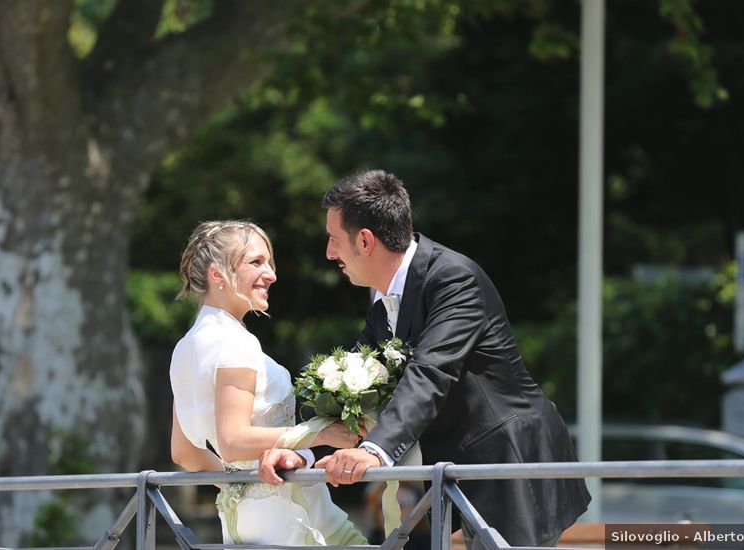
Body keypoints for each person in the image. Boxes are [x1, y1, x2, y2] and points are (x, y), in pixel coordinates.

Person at [260, 171, 591, 547]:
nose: (329, 253)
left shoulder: (454, 279)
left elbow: (430, 373)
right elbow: (353, 393)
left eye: (334, 240)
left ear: (365, 241)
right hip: (462, 472)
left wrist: (373, 452)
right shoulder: (383, 302)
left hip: (510, 462)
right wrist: (300, 451)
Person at [169, 220, 367, 546]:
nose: (272, 274)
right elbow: (233, 440)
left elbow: (184, 452)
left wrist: (240, 487)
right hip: (289, 514)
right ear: (217, 274)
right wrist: (320, 432)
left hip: (243, 518)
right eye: (256, 262)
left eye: (269, 263)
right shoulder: (236, 344)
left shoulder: (184, 348)